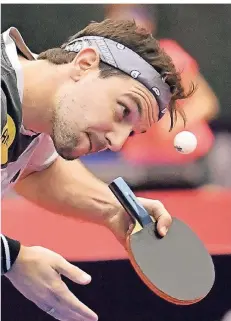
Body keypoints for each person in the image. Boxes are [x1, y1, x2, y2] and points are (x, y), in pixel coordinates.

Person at [1, 19, 191, 321]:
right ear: (85, 64)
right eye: (123, 110)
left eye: (130, 133)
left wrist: (113, 210)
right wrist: (11, 257)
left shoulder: (32, 116)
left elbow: (37, 171)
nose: (116, 143)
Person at [106, 5, 219, 165]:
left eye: (134, 13)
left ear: (148, 24)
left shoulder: (170, 56)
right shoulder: (111, 66)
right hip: (141, 164)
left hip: (192, 161)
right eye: (116, 15)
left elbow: (206, 102)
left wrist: (177, 121)